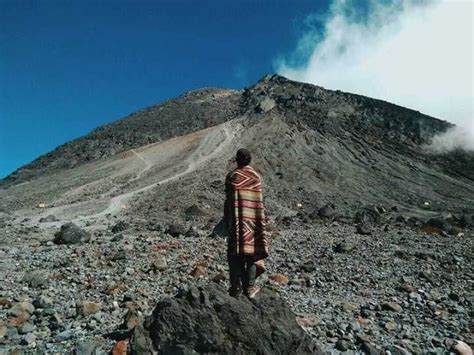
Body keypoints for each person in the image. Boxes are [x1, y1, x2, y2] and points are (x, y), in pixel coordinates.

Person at [224, 148, 268, 298]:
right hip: (252, 223)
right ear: (249, 160)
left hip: (236, 223)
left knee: (234, 256)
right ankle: (250, 287)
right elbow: (259, 202)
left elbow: (228, 201)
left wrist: (226, 222)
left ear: (237, 160)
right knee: (251, 255)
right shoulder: (256, 177)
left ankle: (235, 286)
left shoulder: (232, 176)